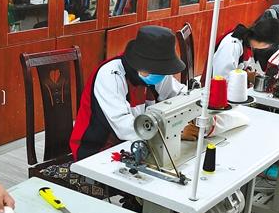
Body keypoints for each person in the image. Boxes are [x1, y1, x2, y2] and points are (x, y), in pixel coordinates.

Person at [70, 25, 196, 162]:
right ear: (140, 63)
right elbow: (123, 126)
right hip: (96, 151)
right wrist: (173, 131)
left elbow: (181, 95)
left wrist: (194, 115)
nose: (162, 75)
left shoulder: (154, 73)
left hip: (135, 143)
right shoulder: (111, 75)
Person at [213, 16, 279, 83]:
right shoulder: (233, 45)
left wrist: (248, 73)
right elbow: (222, 78)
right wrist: (246, 76)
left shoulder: (247, 41)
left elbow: (239, 67)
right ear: (265, 43)